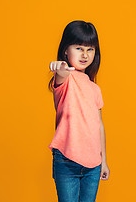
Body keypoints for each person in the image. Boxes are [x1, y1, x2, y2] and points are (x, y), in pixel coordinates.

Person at [48, 20, 110, 202]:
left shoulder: (94, 88)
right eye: (79, 48)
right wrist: (59, 68)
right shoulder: (65, 80)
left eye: (90, 49)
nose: (85, 54)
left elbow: (99, 125)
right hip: (67, 161)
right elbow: (61, 74)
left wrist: (104, 160)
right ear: (66, 50)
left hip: (93, 165)